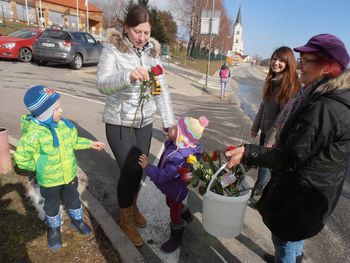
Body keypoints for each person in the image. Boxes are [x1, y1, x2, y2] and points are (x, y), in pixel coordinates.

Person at [226, 34, 350, 263]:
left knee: (284, 242)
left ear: (327, 66)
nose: (299, 64)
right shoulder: (323, 96)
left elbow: (290, 156)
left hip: (300, 196)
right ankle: (296, 256)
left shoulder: (325, 108)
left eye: (306, 60)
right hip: (311, 194)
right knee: (292, 241)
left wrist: (248, 152)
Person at [96, 5, 175, 247]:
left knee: (140, 170)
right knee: (130, 169)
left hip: (145, 123)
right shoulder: (112, 50)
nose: (141, 37)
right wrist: (128, 76)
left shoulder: (152, 55)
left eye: (146, 32)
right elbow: (102, 84)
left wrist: (169, 121)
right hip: (119, 122)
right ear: (127, 28)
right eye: (137, 31)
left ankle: (132, 207)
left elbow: (160, 90)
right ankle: (125, 219)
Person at [14, 85, 105, 250]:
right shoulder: (34, 135)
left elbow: (74, 141)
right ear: (45, 114)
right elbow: (21, 158)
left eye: (60, 106)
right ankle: (54, 229)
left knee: (73, 199)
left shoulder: (64, 126)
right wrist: (38, 167)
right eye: (56, 109)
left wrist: (90, 143)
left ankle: (77, 221)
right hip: (49, 180)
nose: (61, 110)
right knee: (51, 205)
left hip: (69, 175)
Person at [138, 116, 209, 253]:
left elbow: (164, 175)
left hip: (175, 190)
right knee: (170, 203)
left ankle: (177, 235)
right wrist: (171, 137)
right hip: (175, 188)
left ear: (183, 138)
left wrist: (148, 167)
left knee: (173, 212)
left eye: (174, 129)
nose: (170, 129)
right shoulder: (184, 147)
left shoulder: (179, 157)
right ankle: (187, 215)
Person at [250, 46, 300, 197]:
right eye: (274, 58)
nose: (276, 62)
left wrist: (272, 138)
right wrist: (255, 126)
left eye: (281, 60)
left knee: (271, 166)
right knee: (263, 163)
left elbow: (283, 118)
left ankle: (263, 191)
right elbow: (263, 106)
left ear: (289, 63)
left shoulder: (290, 86)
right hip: (265, 132)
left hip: (277, 137)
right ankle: (260, 189)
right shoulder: (272, 81)